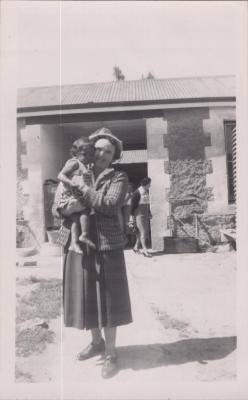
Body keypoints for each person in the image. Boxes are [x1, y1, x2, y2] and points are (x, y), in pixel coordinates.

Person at [63, 127, 133, 379]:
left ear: (114, 155)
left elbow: (109, 204)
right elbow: (59, 206)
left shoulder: (119, 178)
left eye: (108, 150)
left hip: (106, 245)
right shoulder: (80, 171)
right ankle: (96, 342)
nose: (102, 153)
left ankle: (112, 353)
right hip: (80, 245)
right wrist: (66, 207)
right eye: (99, 149)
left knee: (109, 302)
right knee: (88, 298)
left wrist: (81, 190)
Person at [56, 137, 95, 254]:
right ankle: (73, 244)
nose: (87, 158)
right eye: (85, 154)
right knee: (65, 254)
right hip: (66, 225)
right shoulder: (64, 184)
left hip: (75, 223)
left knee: (77, 256)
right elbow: (56, 208)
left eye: (90, 155)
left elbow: (85, 190)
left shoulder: (85, 171)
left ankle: (75, 243)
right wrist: (60, 212)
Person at [129, 177, 152, 257]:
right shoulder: (137, 192)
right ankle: (145, 251)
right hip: (139, 215)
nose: (150, 185)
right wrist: (131, 216)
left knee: (140, 233)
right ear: (146, 184)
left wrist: (149, 212)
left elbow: (147, 203)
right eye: (149, 184)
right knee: (143, 232)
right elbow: (132, 206)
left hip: (145, 214)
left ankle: (135, 247)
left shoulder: (146, 191)